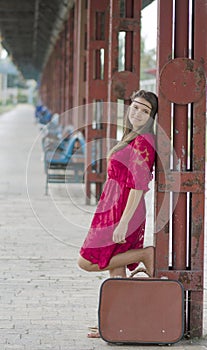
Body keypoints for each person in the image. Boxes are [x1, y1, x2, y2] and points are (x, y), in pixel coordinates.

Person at [77, 89, 158, 338]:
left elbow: (137, 184)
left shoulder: (145, 141)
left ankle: (146, 254)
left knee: (87, 261)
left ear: (152, 116)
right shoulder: (131, 137)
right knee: (116, 271)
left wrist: (123, 223)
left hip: (124, 210)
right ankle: (114, 325)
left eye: (145, 111)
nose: (138, 113)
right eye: (135, 107)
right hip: (111, 206)